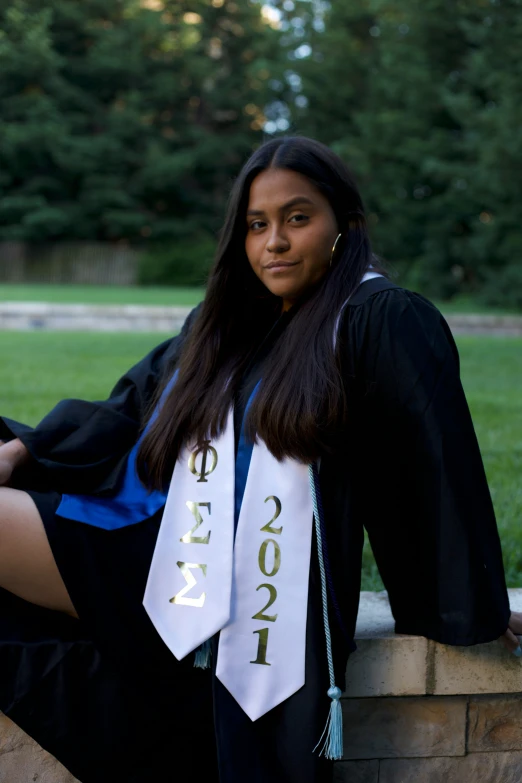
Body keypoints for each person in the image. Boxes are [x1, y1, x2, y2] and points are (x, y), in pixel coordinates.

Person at [0, 135, 520, 783]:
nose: (273, 240)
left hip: (228, 581)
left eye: (297, 218)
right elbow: (129, 407)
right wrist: (23, 450)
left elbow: (423, 468)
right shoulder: (222, 323)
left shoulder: (374, 319)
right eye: (256, 224)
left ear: (344, 225)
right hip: (151, 541)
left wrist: (472, 607)